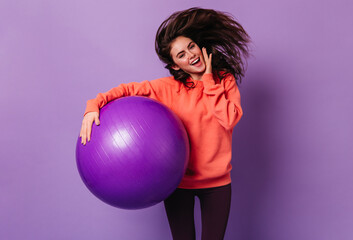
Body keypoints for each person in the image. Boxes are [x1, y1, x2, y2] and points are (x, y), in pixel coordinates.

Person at [79, 7, 250, 240]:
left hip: (217, 183)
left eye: (191, 47)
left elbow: (229, 119)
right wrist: (92, 106)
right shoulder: (168, 88)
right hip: (178, 183)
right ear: (176, 66)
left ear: (200, 46)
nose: (190, 55)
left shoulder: (224, 80)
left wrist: (209, 82)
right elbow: (126, 90)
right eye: (181, 55)